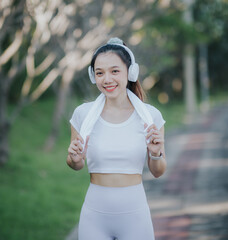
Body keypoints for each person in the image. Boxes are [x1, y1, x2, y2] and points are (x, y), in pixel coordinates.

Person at [67, 37, 166, 240]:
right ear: (93, 76)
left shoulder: (150, 117)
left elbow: (158, 171)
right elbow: (75, 164)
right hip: (94, 216)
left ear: (130, 73)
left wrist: (156, 154)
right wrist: (75, 160)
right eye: (100, 73)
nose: (107, 79)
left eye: (115, 71)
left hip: (135, 216)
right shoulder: (83, 115)